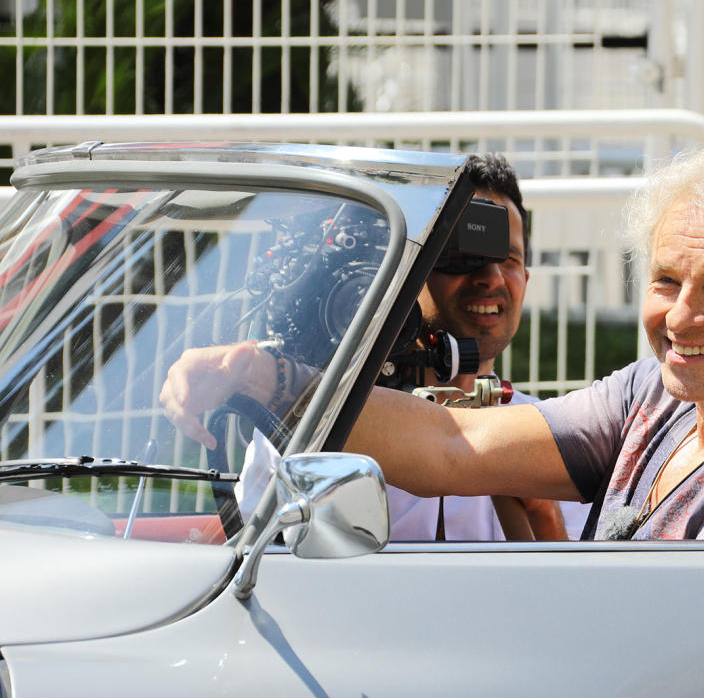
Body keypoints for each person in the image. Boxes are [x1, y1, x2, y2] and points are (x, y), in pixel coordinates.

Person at [336, 142, 704, 540]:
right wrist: (280, 384)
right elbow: (454, 445)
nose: (681, 316)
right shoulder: (659, 393)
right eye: (667, 280)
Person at [160, 153, 588, 541]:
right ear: (407, 270)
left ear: (527, 280)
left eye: (509, 260)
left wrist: (540, 513)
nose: (491, 278)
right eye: (462, 256)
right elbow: (248, 556)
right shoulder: (321, 425)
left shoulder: (545, 436)